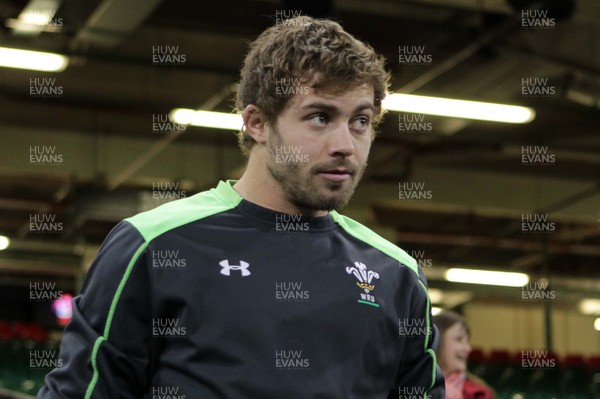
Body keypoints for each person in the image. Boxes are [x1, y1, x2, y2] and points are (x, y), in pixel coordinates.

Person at [38, 15, 444, 398]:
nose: (345, 144)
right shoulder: (153, 245)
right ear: (257, 122)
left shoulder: (398, 276)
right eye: (320, 117)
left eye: (361, 121)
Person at [433, 311, 495, 399]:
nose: (468, 348)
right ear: (437, 342)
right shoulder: (414, 387)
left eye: (467, 341)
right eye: (459, 339)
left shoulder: (479, 393)